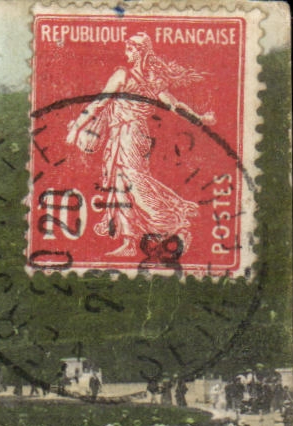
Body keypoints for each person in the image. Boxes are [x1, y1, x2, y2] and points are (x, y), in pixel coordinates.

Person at [63, 32, 213, 257]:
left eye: (131, 49)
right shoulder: (154, 80)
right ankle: (130, 241)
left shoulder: (123, 75)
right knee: (121, 183)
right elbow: (175, 105)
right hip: (136, 135)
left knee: (133, 183)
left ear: (140, 51)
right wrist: (200, 119)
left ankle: (171, 223)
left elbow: (98, 103)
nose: (127, 53)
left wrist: (76, 128)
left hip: (127, 135)